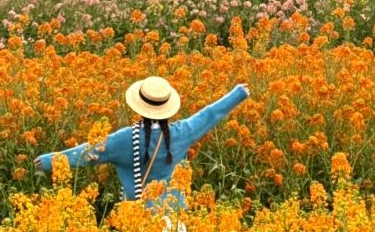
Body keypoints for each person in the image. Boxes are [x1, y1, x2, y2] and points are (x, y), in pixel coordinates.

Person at [34, 76, 250, 215]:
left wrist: (48, 161)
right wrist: (238, 93)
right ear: (167, 107)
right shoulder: (182, 133)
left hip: (137, 219)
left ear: (139, 105)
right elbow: (209, 114)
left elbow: (86, 152)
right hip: (173, 219)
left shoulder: (124, 139)